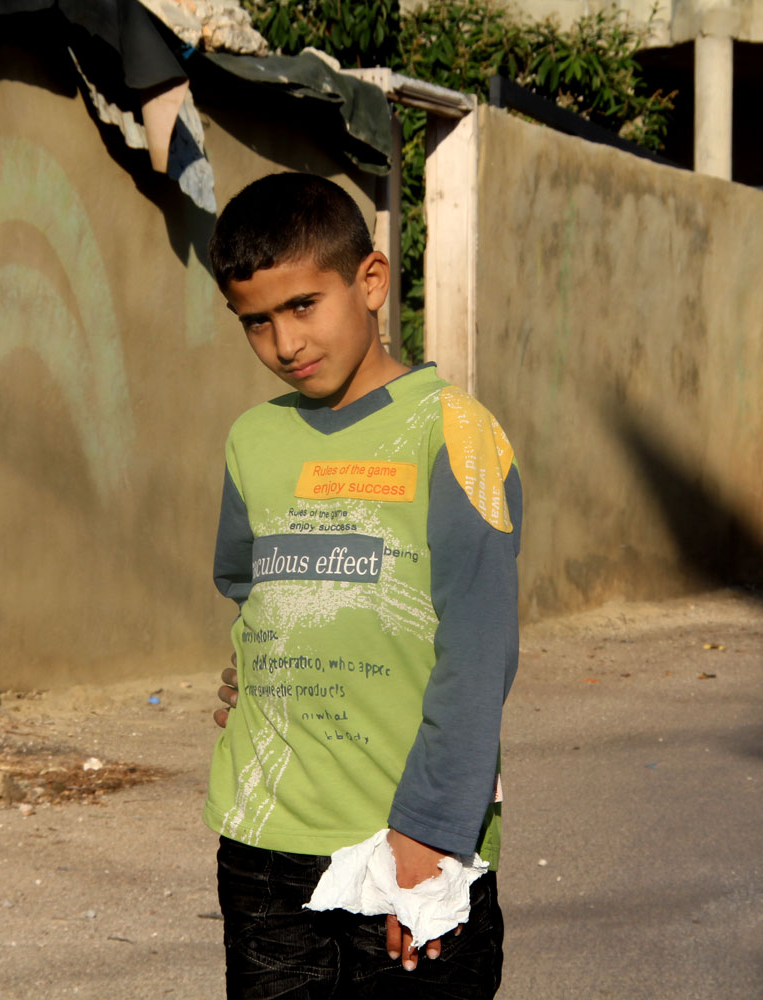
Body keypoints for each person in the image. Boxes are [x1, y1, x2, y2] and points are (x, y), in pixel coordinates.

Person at [205, 171, 522, 999]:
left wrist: (428, 835)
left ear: (371, 281)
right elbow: (249, 584)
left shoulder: (453, 433)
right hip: (266, 857)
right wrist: (256, 665)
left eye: (304, 305)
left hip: (406, 850)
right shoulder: (253, 439)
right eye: (257, 322)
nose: (284, 342)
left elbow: (478, 652)